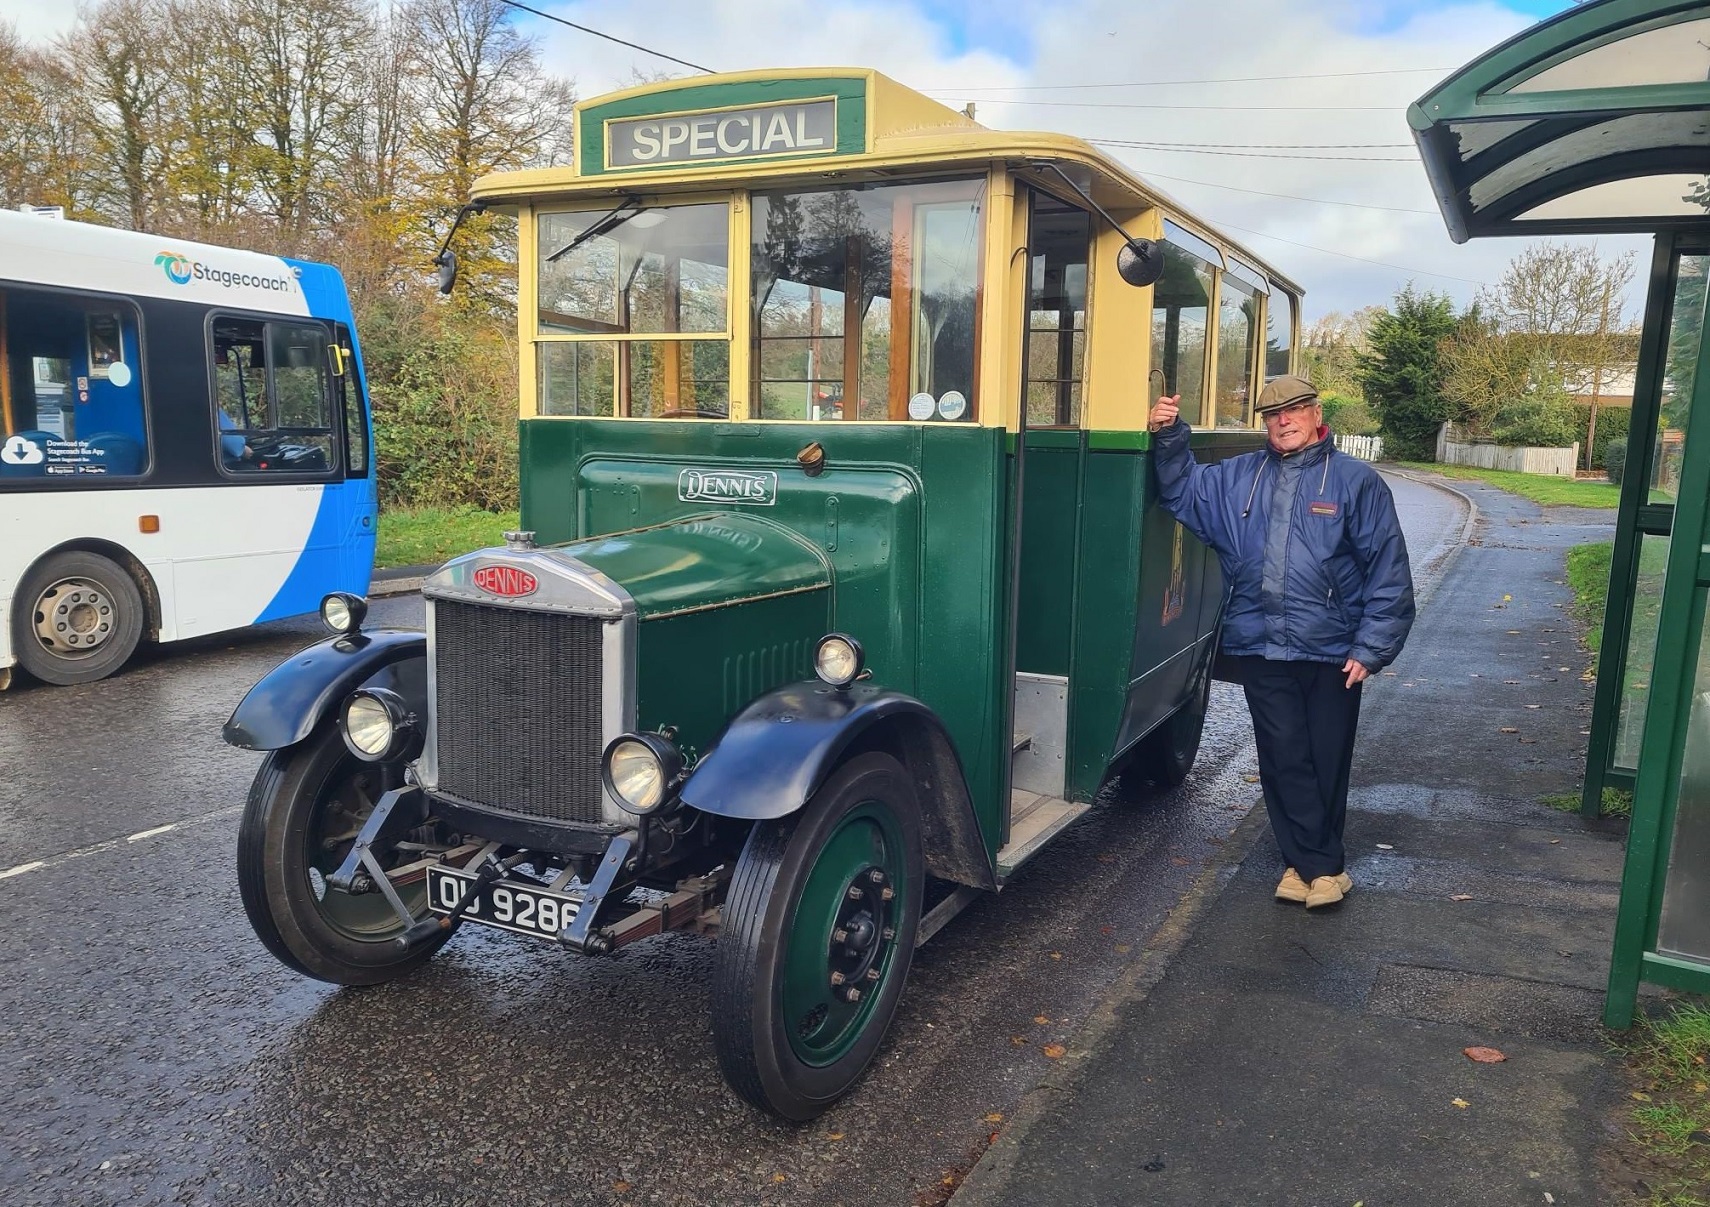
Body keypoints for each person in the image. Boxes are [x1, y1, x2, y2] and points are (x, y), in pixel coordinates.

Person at [1148, 375, 1415, 909]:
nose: (1283, 421)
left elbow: (1388, 569)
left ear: (1318, 414)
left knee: (1326, 756)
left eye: (1294, 410)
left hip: (1334, 648)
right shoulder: (1238, 478)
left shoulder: (1356, 481)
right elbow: (1181, 490)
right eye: (1272, 415)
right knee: (1283, 754)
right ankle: (1317, 868)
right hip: (1260, 643)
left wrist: (1371, 648)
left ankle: (1308, 864)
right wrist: (1170, 433)